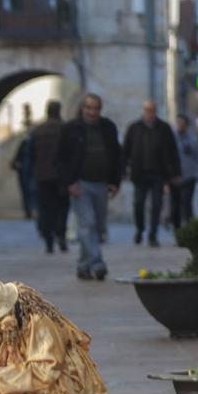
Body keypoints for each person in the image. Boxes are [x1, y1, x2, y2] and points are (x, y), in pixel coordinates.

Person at [56, 94, 122, 281]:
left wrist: (115, 182)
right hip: (80, 184)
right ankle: (97, 263)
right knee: (87, 224)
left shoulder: (108, 128)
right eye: (89, 108)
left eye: (96, 108)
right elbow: (60, 159)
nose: (92, 112)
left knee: (98, 227)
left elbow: (117, 155)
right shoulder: (70, 129)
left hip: (102, 183)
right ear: (82, 108)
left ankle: (83, 265)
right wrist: (69, 182)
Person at [122, 100, 180, 247]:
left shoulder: (164, 128)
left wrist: (175, 172)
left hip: (158, 173)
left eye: (152, 110)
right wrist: (122, 169)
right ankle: (140, 228)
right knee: (138, 204)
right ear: (143, 111)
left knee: (156, 205)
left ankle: (153, 234)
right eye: (147, 110)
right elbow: (125, 150)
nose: (150, 113)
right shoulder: (134, 128)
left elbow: (173, 151)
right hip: (139, 173)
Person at [27, 100, 68, 254]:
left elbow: (30, 155)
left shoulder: (38, 131)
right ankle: (61, 236)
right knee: (62, 207)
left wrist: (31, 174)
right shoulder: (65, 129)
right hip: (61, 176)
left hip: (42, 176)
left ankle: (49, 241)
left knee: (46, 209)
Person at [171, 114, 198, 229]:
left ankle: (189, 227)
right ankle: (177, 228)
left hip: (189, 176)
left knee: (187, 203)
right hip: (174, 176)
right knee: (175, 204)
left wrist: (196, 172)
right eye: (178, 123)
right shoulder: (171, 138)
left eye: (182, 124)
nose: (180, 126)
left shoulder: (192, 140)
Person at [10, 105, 37, 219]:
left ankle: (31, 211)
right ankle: (29, 211)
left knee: (30, 192)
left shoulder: (28, 143)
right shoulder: (25, 143)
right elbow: (16, 159)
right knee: (28, 192)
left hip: (30, 172)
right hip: (26, 172)